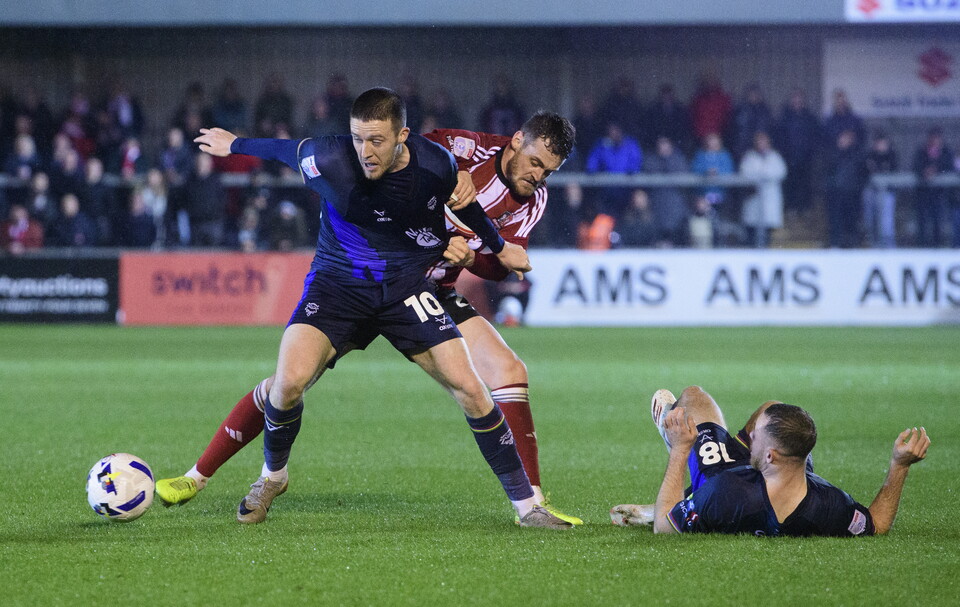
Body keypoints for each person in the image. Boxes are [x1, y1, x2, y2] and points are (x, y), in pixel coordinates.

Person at [159, 88, 564, 528]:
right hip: (339, 287)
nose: (366, 152)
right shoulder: (332, 158)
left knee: (474, 385)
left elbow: (473, 217)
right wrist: (234, 144)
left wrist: (496, 248)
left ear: (401, 138)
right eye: (359, 139)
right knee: (287, 383)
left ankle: (529, 507)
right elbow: (285, 150)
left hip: (408, 287)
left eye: (377, 141)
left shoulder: (438, 167)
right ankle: (265, 476)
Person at [612, 386, 930, 536]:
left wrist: (682, 449)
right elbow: (877, 524)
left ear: (768, 454)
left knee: (693, 396)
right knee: (772, 406)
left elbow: (665, 529)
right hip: (785, 478)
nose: (752, 435)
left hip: (719, 472)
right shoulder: (829, 502)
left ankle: (676, 451)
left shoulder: (725, 492)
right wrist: (899, 466)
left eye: (757, 435)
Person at [739, 131, 786, 248]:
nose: (761, 144)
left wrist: (762, 174)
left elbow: (780, 172)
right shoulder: (749, 157)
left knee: (766, 234)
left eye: (764, 141)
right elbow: (745, 172)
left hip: (769, 199)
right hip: (754, 199)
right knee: (751, 231)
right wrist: (761, 175)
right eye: (759, 141)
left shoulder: (775, 157)